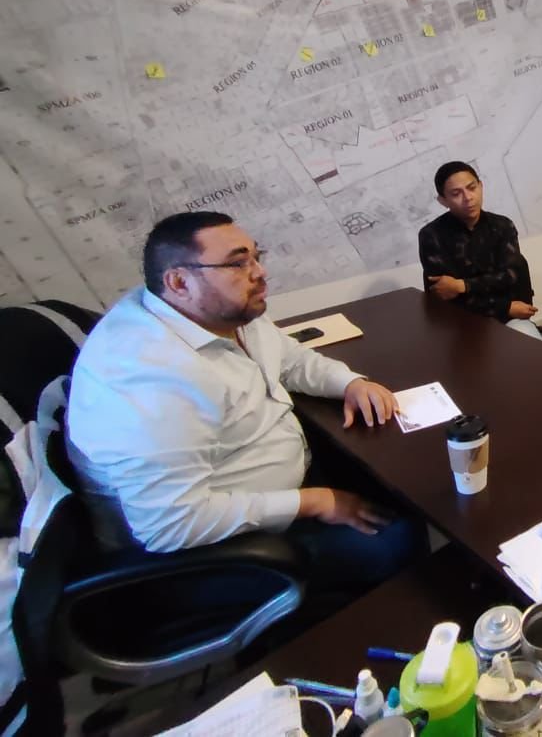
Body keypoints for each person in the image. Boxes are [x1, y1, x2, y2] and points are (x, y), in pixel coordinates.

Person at [67, 212, 422, 592]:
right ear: (179, 282)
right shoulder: (150, 377)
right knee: (398, 537)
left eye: (256, 256)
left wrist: (348, 382)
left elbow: (288, 357)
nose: (260, 273)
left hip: (270, 475)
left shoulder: (222, 312)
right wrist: (315, 502)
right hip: (210, 550)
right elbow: (169, 526)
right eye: (238, 263)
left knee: (405, 477)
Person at [418, 160, 542, 339]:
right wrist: (505, 307)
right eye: (456, 193)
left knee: (530, 347)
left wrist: (462, 285)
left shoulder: (502, 225)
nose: (468, 198)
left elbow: (510, 276)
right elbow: (446, 295)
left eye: (472, 188)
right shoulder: (432, 235)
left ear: (481, 186)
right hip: (459, 322)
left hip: (508, 318)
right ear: (443, 200)